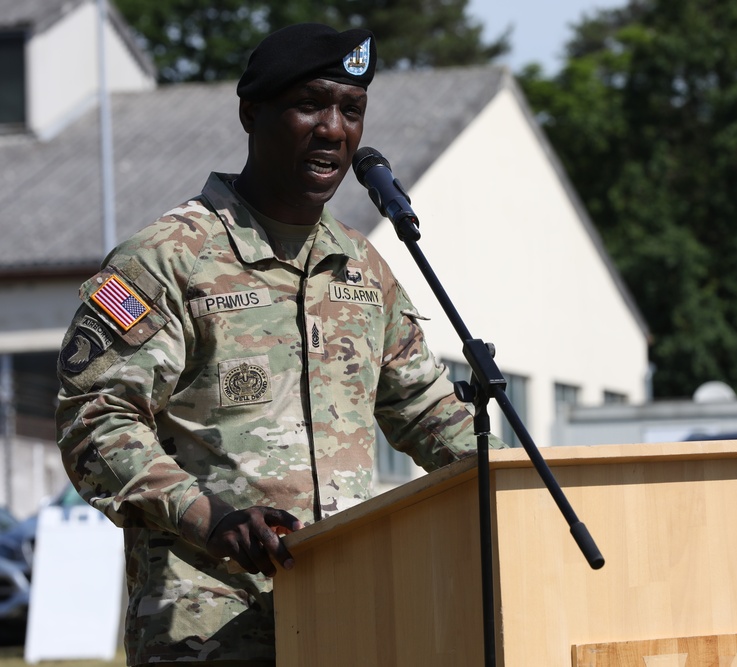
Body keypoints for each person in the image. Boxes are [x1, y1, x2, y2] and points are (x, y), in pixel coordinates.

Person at [55, 23, 503, 666]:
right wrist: (209, 517)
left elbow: (431, 414)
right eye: (310, 105)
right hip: (210, 625)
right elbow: (95, 422)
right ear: (251, 113)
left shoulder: (361, 268)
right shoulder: (168, 259)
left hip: (350, 613)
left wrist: (517, 489)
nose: (333, 129)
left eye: (351, 110)